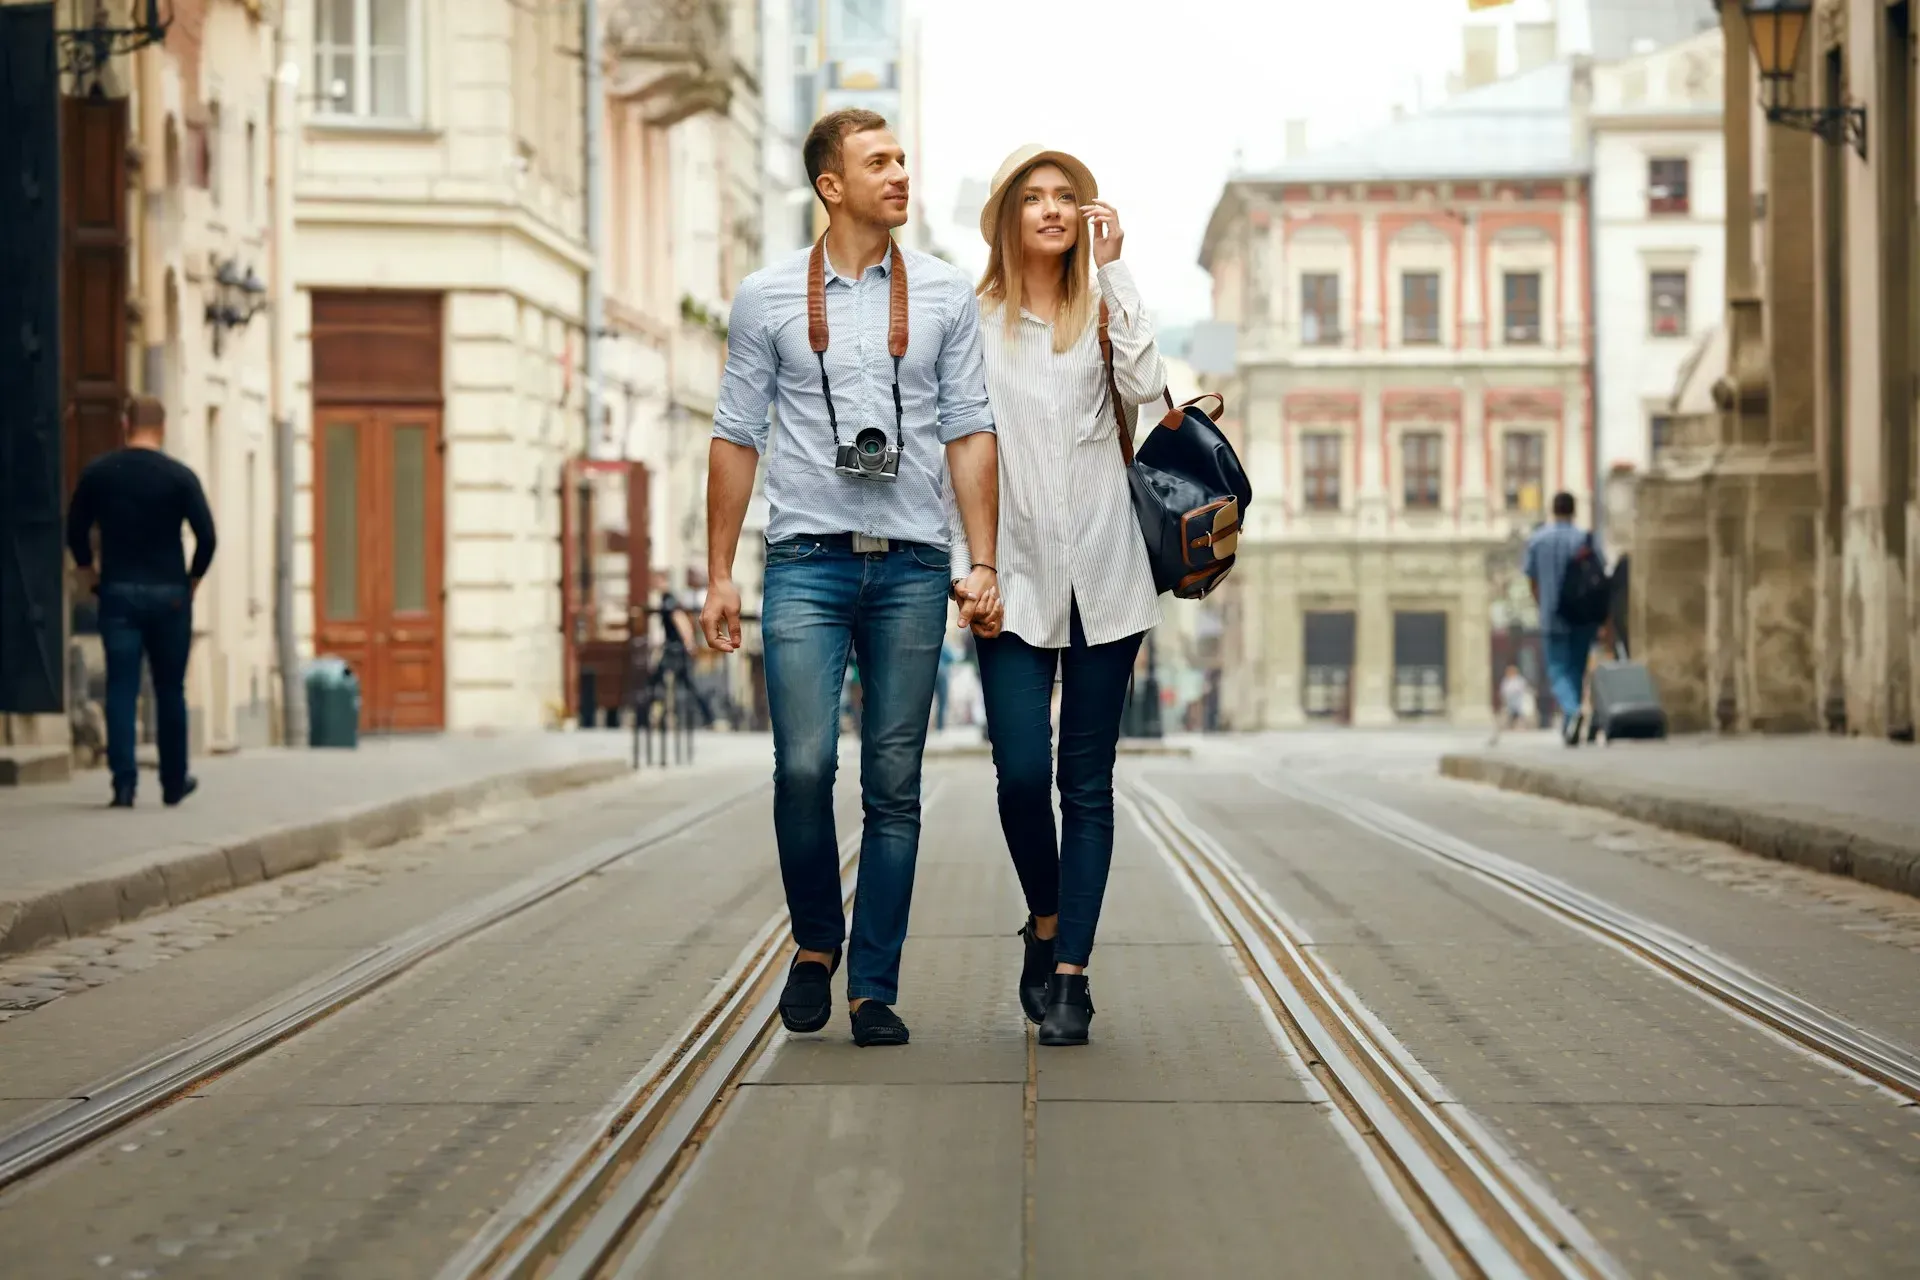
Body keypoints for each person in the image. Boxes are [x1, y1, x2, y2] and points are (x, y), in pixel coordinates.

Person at [700, 108, 1002, 1048]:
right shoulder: (766, 297)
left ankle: (873, 986)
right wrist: (718, 574)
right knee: (802, 767)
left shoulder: (945, 294)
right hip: (806, 560)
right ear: (831, 185)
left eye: (904, 158)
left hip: (913, 564)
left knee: (894, 784)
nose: (901, 173)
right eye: (879, 162)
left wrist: (981, 561)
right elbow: (735, 434)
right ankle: (815, 943)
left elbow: (970, 430)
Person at [954, 144, 1167, 1047]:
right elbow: (955, 449)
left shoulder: (1105, 307)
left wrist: (1116, 275)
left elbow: (1149, 392)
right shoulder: (972, 323)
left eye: (1066, 197)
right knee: (1018, 775)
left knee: (1086, 782)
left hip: (1108, 574)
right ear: (1007, 216)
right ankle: (1044, 923)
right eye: (1033, 197)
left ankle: (1072, 973)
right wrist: (969, 564)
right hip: (1011, 577)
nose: (1051, 209)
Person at [64, 395, 217, 808]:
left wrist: (89, 572)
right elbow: (207, 537)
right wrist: (192, 580)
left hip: (118, 591)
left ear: (124, 424)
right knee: (170, 689)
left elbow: (75, 529)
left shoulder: (100, 473)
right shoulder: (179, 477)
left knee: (121, 686)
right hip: (170, 595)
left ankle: (124, 784)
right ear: (162, 428)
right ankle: (173, 781)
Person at [1524, 491, 1602, 746]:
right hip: (1583, 615)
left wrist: (1542, 603)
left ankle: (1572, 710)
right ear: (1574, 510)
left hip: (1552, 614)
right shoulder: (1585, 539)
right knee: (1576, 669)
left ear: (1552, 509)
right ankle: (1571, 726)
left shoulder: (1538, 540)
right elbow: (1600, 576)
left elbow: (1532, 579)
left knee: (1557, 669)